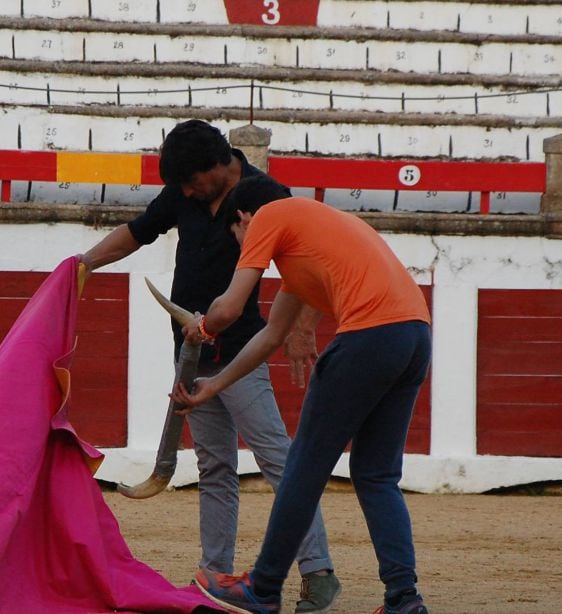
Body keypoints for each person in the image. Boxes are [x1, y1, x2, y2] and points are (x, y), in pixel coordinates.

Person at [79, 120, 341, 612]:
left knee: (277, 460)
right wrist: (85, 263)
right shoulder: (186, 193)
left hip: (241, 348)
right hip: (190, 352)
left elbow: (310, 260)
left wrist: (303, 328)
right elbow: (137, 233)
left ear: (219, 165)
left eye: (192, 181)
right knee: (214, 465)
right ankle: (216, 574)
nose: (185, 191)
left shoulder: (267, 195)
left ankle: (318, 572)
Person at [172, 175, 432, 614]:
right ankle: (404, 598)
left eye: (236, 234)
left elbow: (230, 308)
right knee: (376, 474)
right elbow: (272, 335)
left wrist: (201, 329)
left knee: (303, 469)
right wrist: (213, 386)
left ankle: (265, 586)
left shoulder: (271, 214)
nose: (240, 244)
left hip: (367, 337)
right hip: (414, 337)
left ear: (242, 217)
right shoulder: (310, 243)